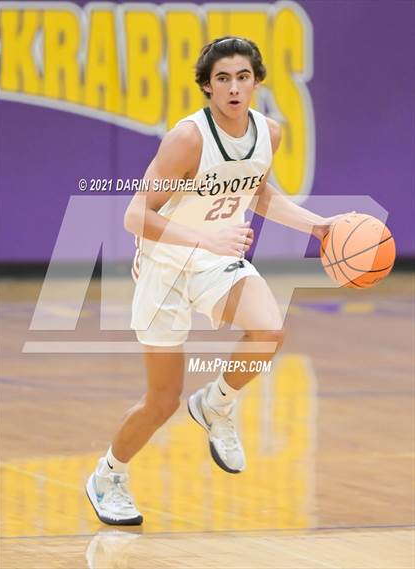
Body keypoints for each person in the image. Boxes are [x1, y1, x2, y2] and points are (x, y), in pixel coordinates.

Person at [86, 36, 347, 525]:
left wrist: (317, 226)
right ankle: (108, 475)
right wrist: (208, 241)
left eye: (243, 77)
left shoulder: (269, 133)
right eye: (222, 78)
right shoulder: (188, 138)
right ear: (207, 86)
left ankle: (217, 404)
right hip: (167, 265)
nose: (233, 87)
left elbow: (259, 192)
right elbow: (134, 215)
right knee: (162, 401)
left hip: (213, 260)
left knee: (269, 329)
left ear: (257, 83)